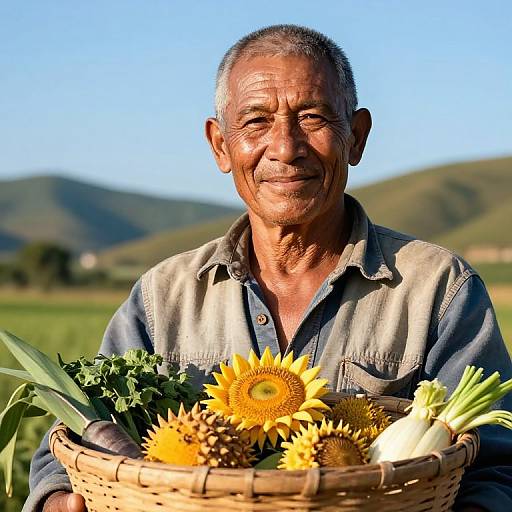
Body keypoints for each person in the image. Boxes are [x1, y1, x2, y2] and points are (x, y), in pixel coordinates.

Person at [25, 24, 512, 512]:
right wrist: (57, 501)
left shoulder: (437, 288)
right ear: (220, 145)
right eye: (256, 121)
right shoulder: (164, 297)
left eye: (313, 117)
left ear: (356, 137)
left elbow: (497, 467)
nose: (285, 147)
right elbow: (69, 442)